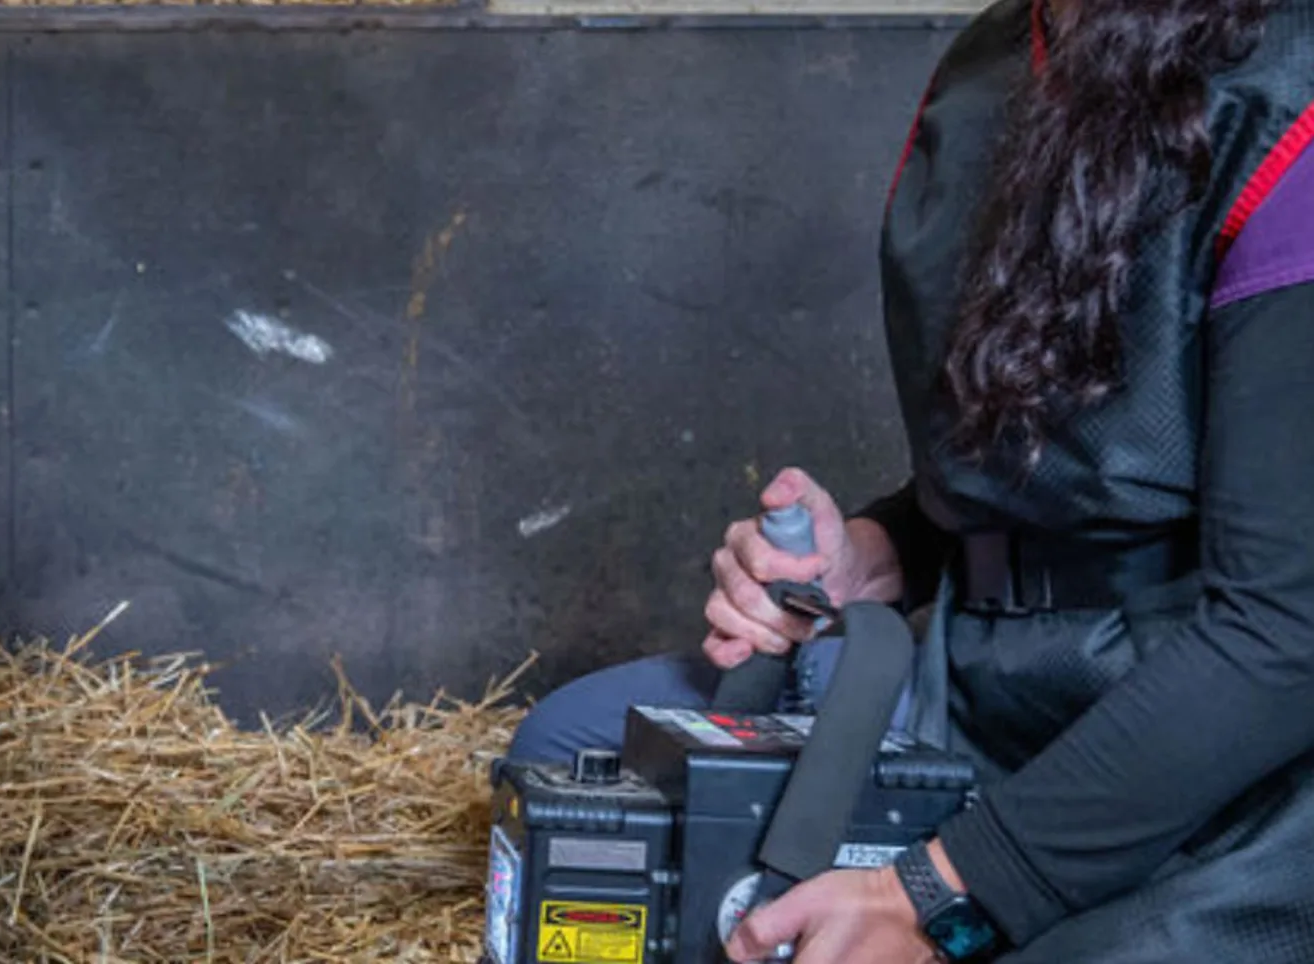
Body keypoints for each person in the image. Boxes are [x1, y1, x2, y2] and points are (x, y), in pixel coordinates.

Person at [508, 1, 1314, 962]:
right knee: (579, 763)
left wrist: (940, 891)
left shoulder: (1288, 104)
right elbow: (1080, 453)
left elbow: (1287, 629)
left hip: (1224, 737)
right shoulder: (992, 61)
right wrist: (878, 553)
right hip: (981, 681)